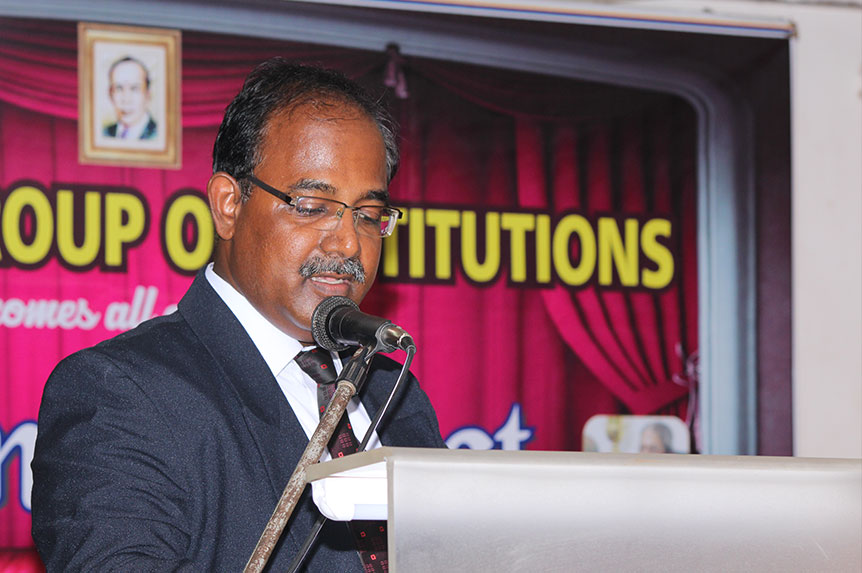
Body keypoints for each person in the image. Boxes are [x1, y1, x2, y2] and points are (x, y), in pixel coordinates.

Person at [32, 58, 445, 571]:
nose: (348, 243)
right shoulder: (120, 392)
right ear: (229, 204)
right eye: (312, 206)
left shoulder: (392, 388)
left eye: (367, 214)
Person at [103, 56, 158, 140]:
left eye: (134, 88)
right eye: (119, 88)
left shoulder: (159, 135)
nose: (126, 99)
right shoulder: (104, 133)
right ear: (110, 94)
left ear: (147, 95)